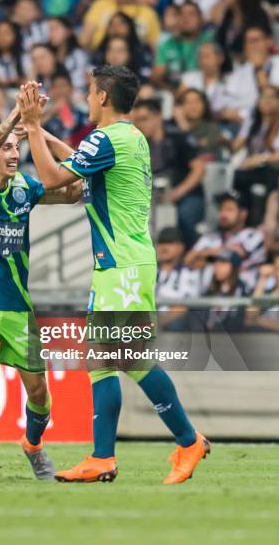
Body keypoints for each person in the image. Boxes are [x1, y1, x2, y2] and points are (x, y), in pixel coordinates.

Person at [18, 67, 210, 485]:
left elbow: (53, 177)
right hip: (126, 263)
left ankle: (171, 443)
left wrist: (33, 127)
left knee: (116, 359)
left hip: (121, 266)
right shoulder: (131, 136)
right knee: (117, 359)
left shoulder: (108, 139)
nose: (87, 99)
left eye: (89, 93)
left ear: (103, 96)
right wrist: (44, 135)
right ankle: (129, 452)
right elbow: (81, 159)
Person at [0, 100, 82, 482]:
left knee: (39, 391)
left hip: (17, 307)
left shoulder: (25, 188)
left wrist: (37, 129)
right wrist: (11, 119)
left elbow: (75, 188)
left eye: (16, 147)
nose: (14, 153)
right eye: (6, 147)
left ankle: (33, 444)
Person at [132, 98, 206, 247]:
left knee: (185, 216)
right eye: (137, 121)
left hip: (186, 195)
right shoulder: (139, 145)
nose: (140, 125)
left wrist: (178, 192)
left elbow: (199, 169)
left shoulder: (178, 138)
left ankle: (194, 252)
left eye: (144, 119)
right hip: (155, 198)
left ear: (158, 117)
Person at [185, 190, 266, 292]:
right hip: (211, 296)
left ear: (243, 214)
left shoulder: (253, 235)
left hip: (244, 297)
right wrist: (223, 250)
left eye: (229, 210)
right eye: (221, 209)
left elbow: (237, 254)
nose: (223, 214)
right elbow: (188, 260)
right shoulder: (210, 237)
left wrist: (206, 256)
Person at [80, 0, 160, 51]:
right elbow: (86, 36)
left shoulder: (148, 13)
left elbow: (155, 47)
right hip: (99, 57)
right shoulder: (101, 3)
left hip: (134, 60)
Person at [232, 86, 279, 224]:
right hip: (254, 169)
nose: (267, 101)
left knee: (265, 177)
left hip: (273, 169)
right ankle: (241, 221)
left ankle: (258, 223)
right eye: (263, 97)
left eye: (272, 97)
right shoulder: (253, 122)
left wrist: (260, 159)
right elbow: (235, 147)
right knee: (237, 176)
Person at [152, 1, 214, 89]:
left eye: (191, 14)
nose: (186, 18)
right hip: (175, 92)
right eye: (182, 14)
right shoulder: (167, 44)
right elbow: (156, 77)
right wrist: (173, 91)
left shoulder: (210, 40)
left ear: (201, 19)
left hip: (206, 88)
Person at [180, 42, 227, 116]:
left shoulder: (229, 81)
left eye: (207, 56)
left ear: (220, 59)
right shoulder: (189, 77)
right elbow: (180, 103)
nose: (203, 61)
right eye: (201, 57)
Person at [174, 88, 222, 159]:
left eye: (197, 102)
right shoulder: (171, 128)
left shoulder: (212, 129)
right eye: (188, 102)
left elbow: (199, 150)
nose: (193, 107)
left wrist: (184, 128)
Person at [47, 16, 89, 93]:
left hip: (75, 95)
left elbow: (78, 83)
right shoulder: (47, 55)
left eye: (55, 29)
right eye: (49, 30)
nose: (51, 34)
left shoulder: (78, 55)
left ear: (68, 31)